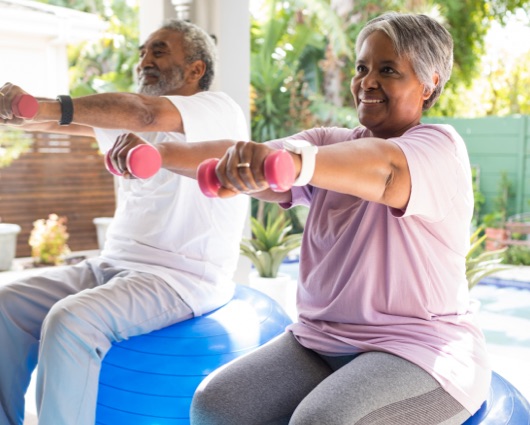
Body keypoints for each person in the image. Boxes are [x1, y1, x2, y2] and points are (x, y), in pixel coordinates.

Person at [185, 12, 491, 424]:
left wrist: (294, 163)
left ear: (429, 82)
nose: (367, 81)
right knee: (216, 405)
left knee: (322, 421)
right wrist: (156, 156)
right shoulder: (326, 144)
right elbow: (246, 157)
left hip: (422, 348)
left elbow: (385, 170)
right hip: (320, 341)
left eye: (387, 70)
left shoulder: (439, 147)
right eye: (361, 68)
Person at [0, 19, 248, 425]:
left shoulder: (217, 108)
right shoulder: (128, 116)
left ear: (196, 69)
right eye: (143, 52)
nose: (145, 59)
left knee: (70, 321)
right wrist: (15, 109)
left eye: (159, 51)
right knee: (6, 305)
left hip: (181, 278)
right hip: (112, 266)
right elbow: (57, 120)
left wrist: (48, 106)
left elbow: (144, 113)